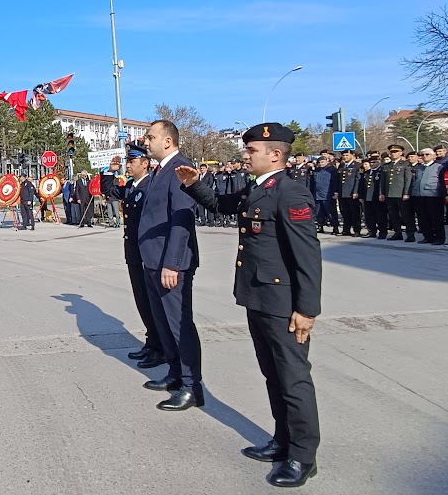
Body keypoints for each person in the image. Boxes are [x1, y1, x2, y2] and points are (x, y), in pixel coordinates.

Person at [181, 122, 322, 487]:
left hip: (282, 303)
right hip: (258, 297)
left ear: (274, 154)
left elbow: (307, 257)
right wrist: (194, 182)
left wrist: (307, 310)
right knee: (272, 373)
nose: (246, 156)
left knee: (293, 379)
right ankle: (283, 441)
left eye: (251, 151)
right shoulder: (257, 189)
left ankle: (303, 456)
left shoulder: (290, 194)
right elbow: (221, 204)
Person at [137, 120, 203, 412]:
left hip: (168, 263)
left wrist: (172, 264)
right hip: (152, 259)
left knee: (179, 325)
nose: (145, 141)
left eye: (150, 136)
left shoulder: (180, 168)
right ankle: (175, 375)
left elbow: (182, 219)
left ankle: (191, 386)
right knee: (163, 322)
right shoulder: (159, 170)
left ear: (167, 141)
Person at [102, 144, 164, 369]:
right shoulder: (130, 186)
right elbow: (108, 191)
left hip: (148, 252)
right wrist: (110, 171)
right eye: (127, 161)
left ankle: (160, 347)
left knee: (152, 301)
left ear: (145, 163)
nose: (128, 165)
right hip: (134, 253)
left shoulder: (151, 186)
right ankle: (151, 342)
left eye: (132, 161)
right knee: (141, 299)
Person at [413, 148, 446, 245]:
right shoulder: (419, 168)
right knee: (423, 218)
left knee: (436, 218)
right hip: (420, 195)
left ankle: (439, 238)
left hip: (433, 195)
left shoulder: (439, 167)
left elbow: (442, 182)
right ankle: (428, 236)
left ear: (433, 156)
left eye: (427, 154)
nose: (424, 156)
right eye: (422, 155)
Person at [384, 145, 415, 242]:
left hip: (401, 194)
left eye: (396, 152)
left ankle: (410, 234)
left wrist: (406, 193)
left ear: (401, 153)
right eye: (392, 152)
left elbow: (408, 179)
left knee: (406, 215)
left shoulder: (406, 164)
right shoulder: (387, 165)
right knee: (393, 215)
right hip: (390, 194)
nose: (393, 154)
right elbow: (383, 181)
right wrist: (382, 193)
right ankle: (397, 233)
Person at [334, 150, 362, 237]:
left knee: (354, 213)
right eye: (344, 155)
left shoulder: (357, 165)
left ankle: (357, 230)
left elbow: (357, 180)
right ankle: (346, 230)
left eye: (347, 155)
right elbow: (338, 180)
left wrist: (355, 191)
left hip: (351, 193)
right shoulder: (342, 166)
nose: (345, 157)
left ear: (352, 155)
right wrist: (337, 191)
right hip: (343, 193)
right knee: (345, 212)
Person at [359, 156, 387, 239]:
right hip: (367, 197)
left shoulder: (381, 171)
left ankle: (383, 232)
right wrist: (361, 196)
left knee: (380, 216)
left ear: (378, 162)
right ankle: (371, 231)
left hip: (377, 197)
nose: (371, 164)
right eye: (370, 162)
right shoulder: (366, 172)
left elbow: (382, 185)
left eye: (373, 162)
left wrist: (381, 194)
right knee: (369, 216)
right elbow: (362, 185)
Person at [312, 156, 339, 234]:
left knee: (331, 212)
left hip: (328, 194)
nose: (321, 164)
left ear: (327, 161)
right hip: (317, 194)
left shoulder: (332, 170)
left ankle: (335, 227)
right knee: (318, 212)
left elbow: (335, 182)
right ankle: (320, 226)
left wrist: (335, 192)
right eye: (320, 162)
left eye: (323, 162)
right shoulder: (317, 170)